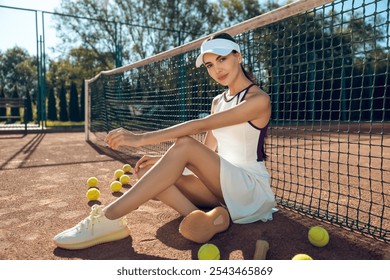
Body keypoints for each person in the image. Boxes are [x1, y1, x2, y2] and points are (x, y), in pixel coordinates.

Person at [53, 32, 276, 250]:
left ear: (238, 56)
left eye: (222, 59)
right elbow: (208, 150)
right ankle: (204, 219)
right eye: (209, 65)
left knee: (186, 144)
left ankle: (108, 218)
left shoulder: (258, 100)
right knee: (146, 170)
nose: (216, 69)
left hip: (250, 190)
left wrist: (139, 138)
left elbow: (198, 127)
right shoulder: (218, 101)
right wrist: (162, 159)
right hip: (223, 187)